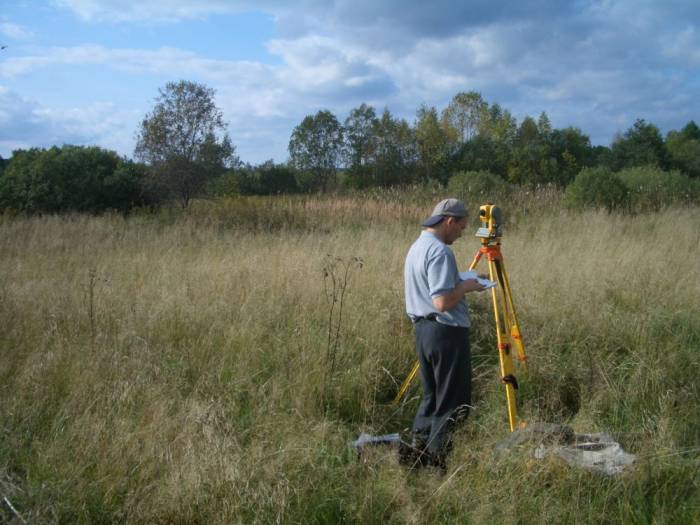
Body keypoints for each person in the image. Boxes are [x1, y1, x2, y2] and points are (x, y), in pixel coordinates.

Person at [402, 198, 485, 470]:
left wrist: (457, 281)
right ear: (449, 221)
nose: (461, 234)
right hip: (446, 331)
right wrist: (468, 287)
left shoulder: (417, 246)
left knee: (432, 397)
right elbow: (441, 301)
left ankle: (418, 453)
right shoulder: (440, 252)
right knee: (452, 403)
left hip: (423, 331)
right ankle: (438, 465)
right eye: (460, 227)